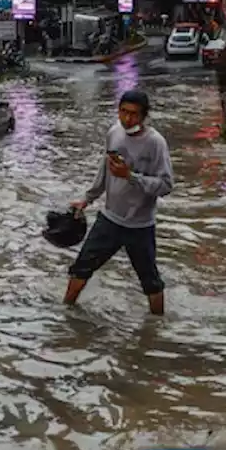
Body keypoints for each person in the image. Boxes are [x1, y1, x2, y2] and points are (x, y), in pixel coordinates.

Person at [65, 90, 174, 315]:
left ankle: (157, 327)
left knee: (150, 281)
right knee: (81, 267)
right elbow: (105, 169)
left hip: (140, 225)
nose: (127, 119)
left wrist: (131, 177)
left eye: (134, 114)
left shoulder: (156, 143)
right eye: (123, 112)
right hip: (109, 219)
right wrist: (87, 199)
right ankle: (65, 311)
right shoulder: (114, 133)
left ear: (144, 116)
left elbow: (166, 185)